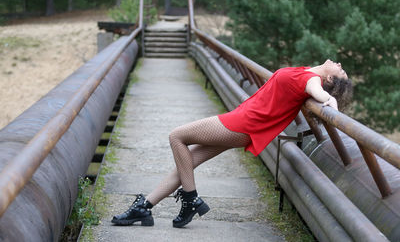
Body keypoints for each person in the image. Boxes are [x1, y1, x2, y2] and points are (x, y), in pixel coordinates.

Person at [111, 59, 352, 228]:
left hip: (242, 123)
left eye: (341, 71)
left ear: (328, 78)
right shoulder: (305, 72)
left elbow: (318, 93)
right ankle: (144, 207)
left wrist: (330, 99)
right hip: (244, 122)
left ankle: (191, 198)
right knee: (188, 162)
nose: (340, 65)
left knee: (176, 136)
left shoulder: (312, 80)